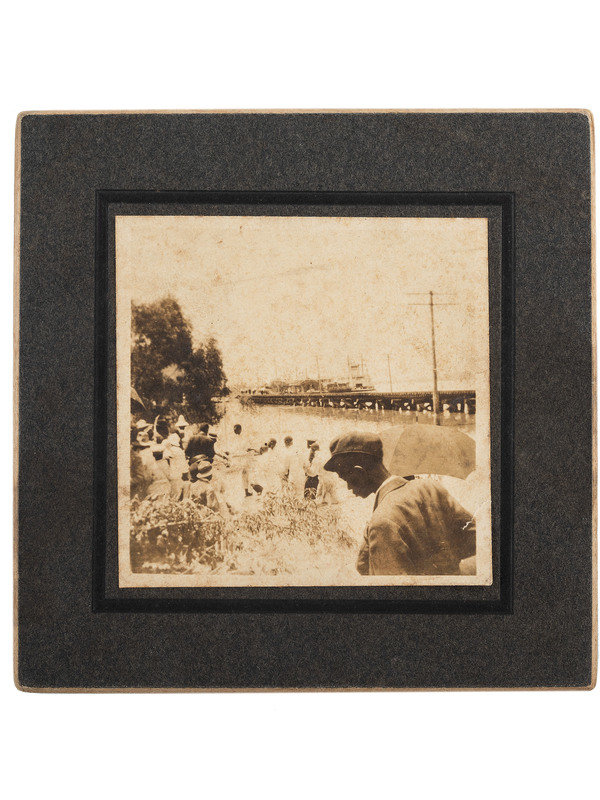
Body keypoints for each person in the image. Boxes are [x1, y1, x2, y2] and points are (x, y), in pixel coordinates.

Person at [324, 432, 476, 575]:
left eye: (346, 478)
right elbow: (476, 540)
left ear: (360, 473)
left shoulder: (382, 522)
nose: (348, 487)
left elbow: (392, 588)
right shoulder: (430, 487)